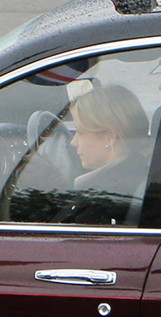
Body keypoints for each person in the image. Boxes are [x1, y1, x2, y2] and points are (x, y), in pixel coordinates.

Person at [63, 83, 152, 222]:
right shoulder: (140, 172)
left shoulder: (104, 196)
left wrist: (53, 187)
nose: (73, 142)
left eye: (79, 132)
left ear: (109, 137)